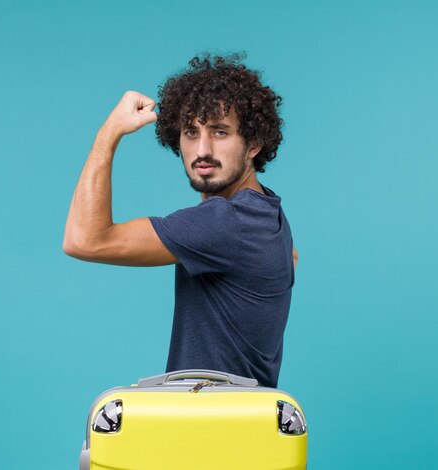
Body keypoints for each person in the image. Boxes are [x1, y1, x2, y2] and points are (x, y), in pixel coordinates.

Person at [63, 54, 297, 388]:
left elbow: (83, 239)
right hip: (243, 428)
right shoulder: (267, 212)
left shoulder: (226, 221)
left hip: (210, 431)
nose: (202, 149)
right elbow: (292, 257)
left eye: (220, 132)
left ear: (254, 144)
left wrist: (109, 132)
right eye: (190, 132)